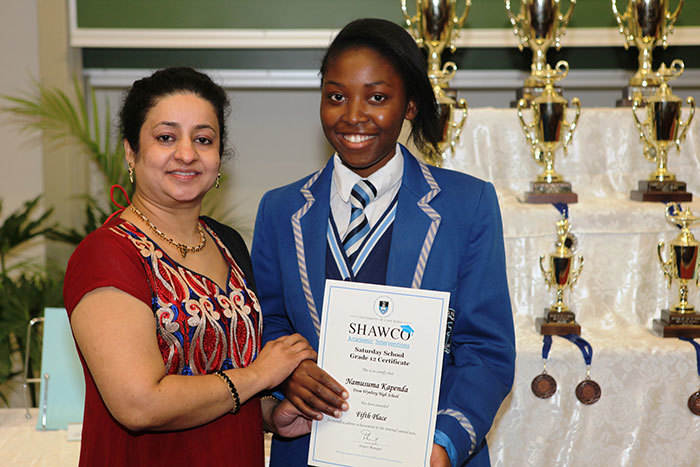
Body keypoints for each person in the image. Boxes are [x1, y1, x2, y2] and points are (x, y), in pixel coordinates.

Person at [250, 18, 516, 467]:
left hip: (427, 450)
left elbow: (485, 349)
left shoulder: (467, 205)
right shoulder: (280, 210)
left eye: (377, 97)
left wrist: (443, 444)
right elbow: (268, 323)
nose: (353, 115)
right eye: (336, 96)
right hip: (311, 446)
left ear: (410, 105)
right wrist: (290, 376)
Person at [63, 67, 315, 466]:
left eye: (203, 139)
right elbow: (139, 403)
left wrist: (271, 415)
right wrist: (261, 376)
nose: (187, 153)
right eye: (166, 137)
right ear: (131, 151)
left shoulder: (227, 243)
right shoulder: (107, 255)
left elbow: (229, 371)